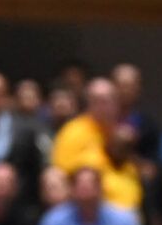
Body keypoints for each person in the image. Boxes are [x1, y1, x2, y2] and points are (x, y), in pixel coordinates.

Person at [50, 78, 143, 211]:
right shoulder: (73, 131)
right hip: (91, 209)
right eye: (96, 101)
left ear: (116, 103)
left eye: (107, 101)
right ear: (89, 104)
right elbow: (60, 174)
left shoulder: (121, 134)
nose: (102, 107)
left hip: (129, 208)